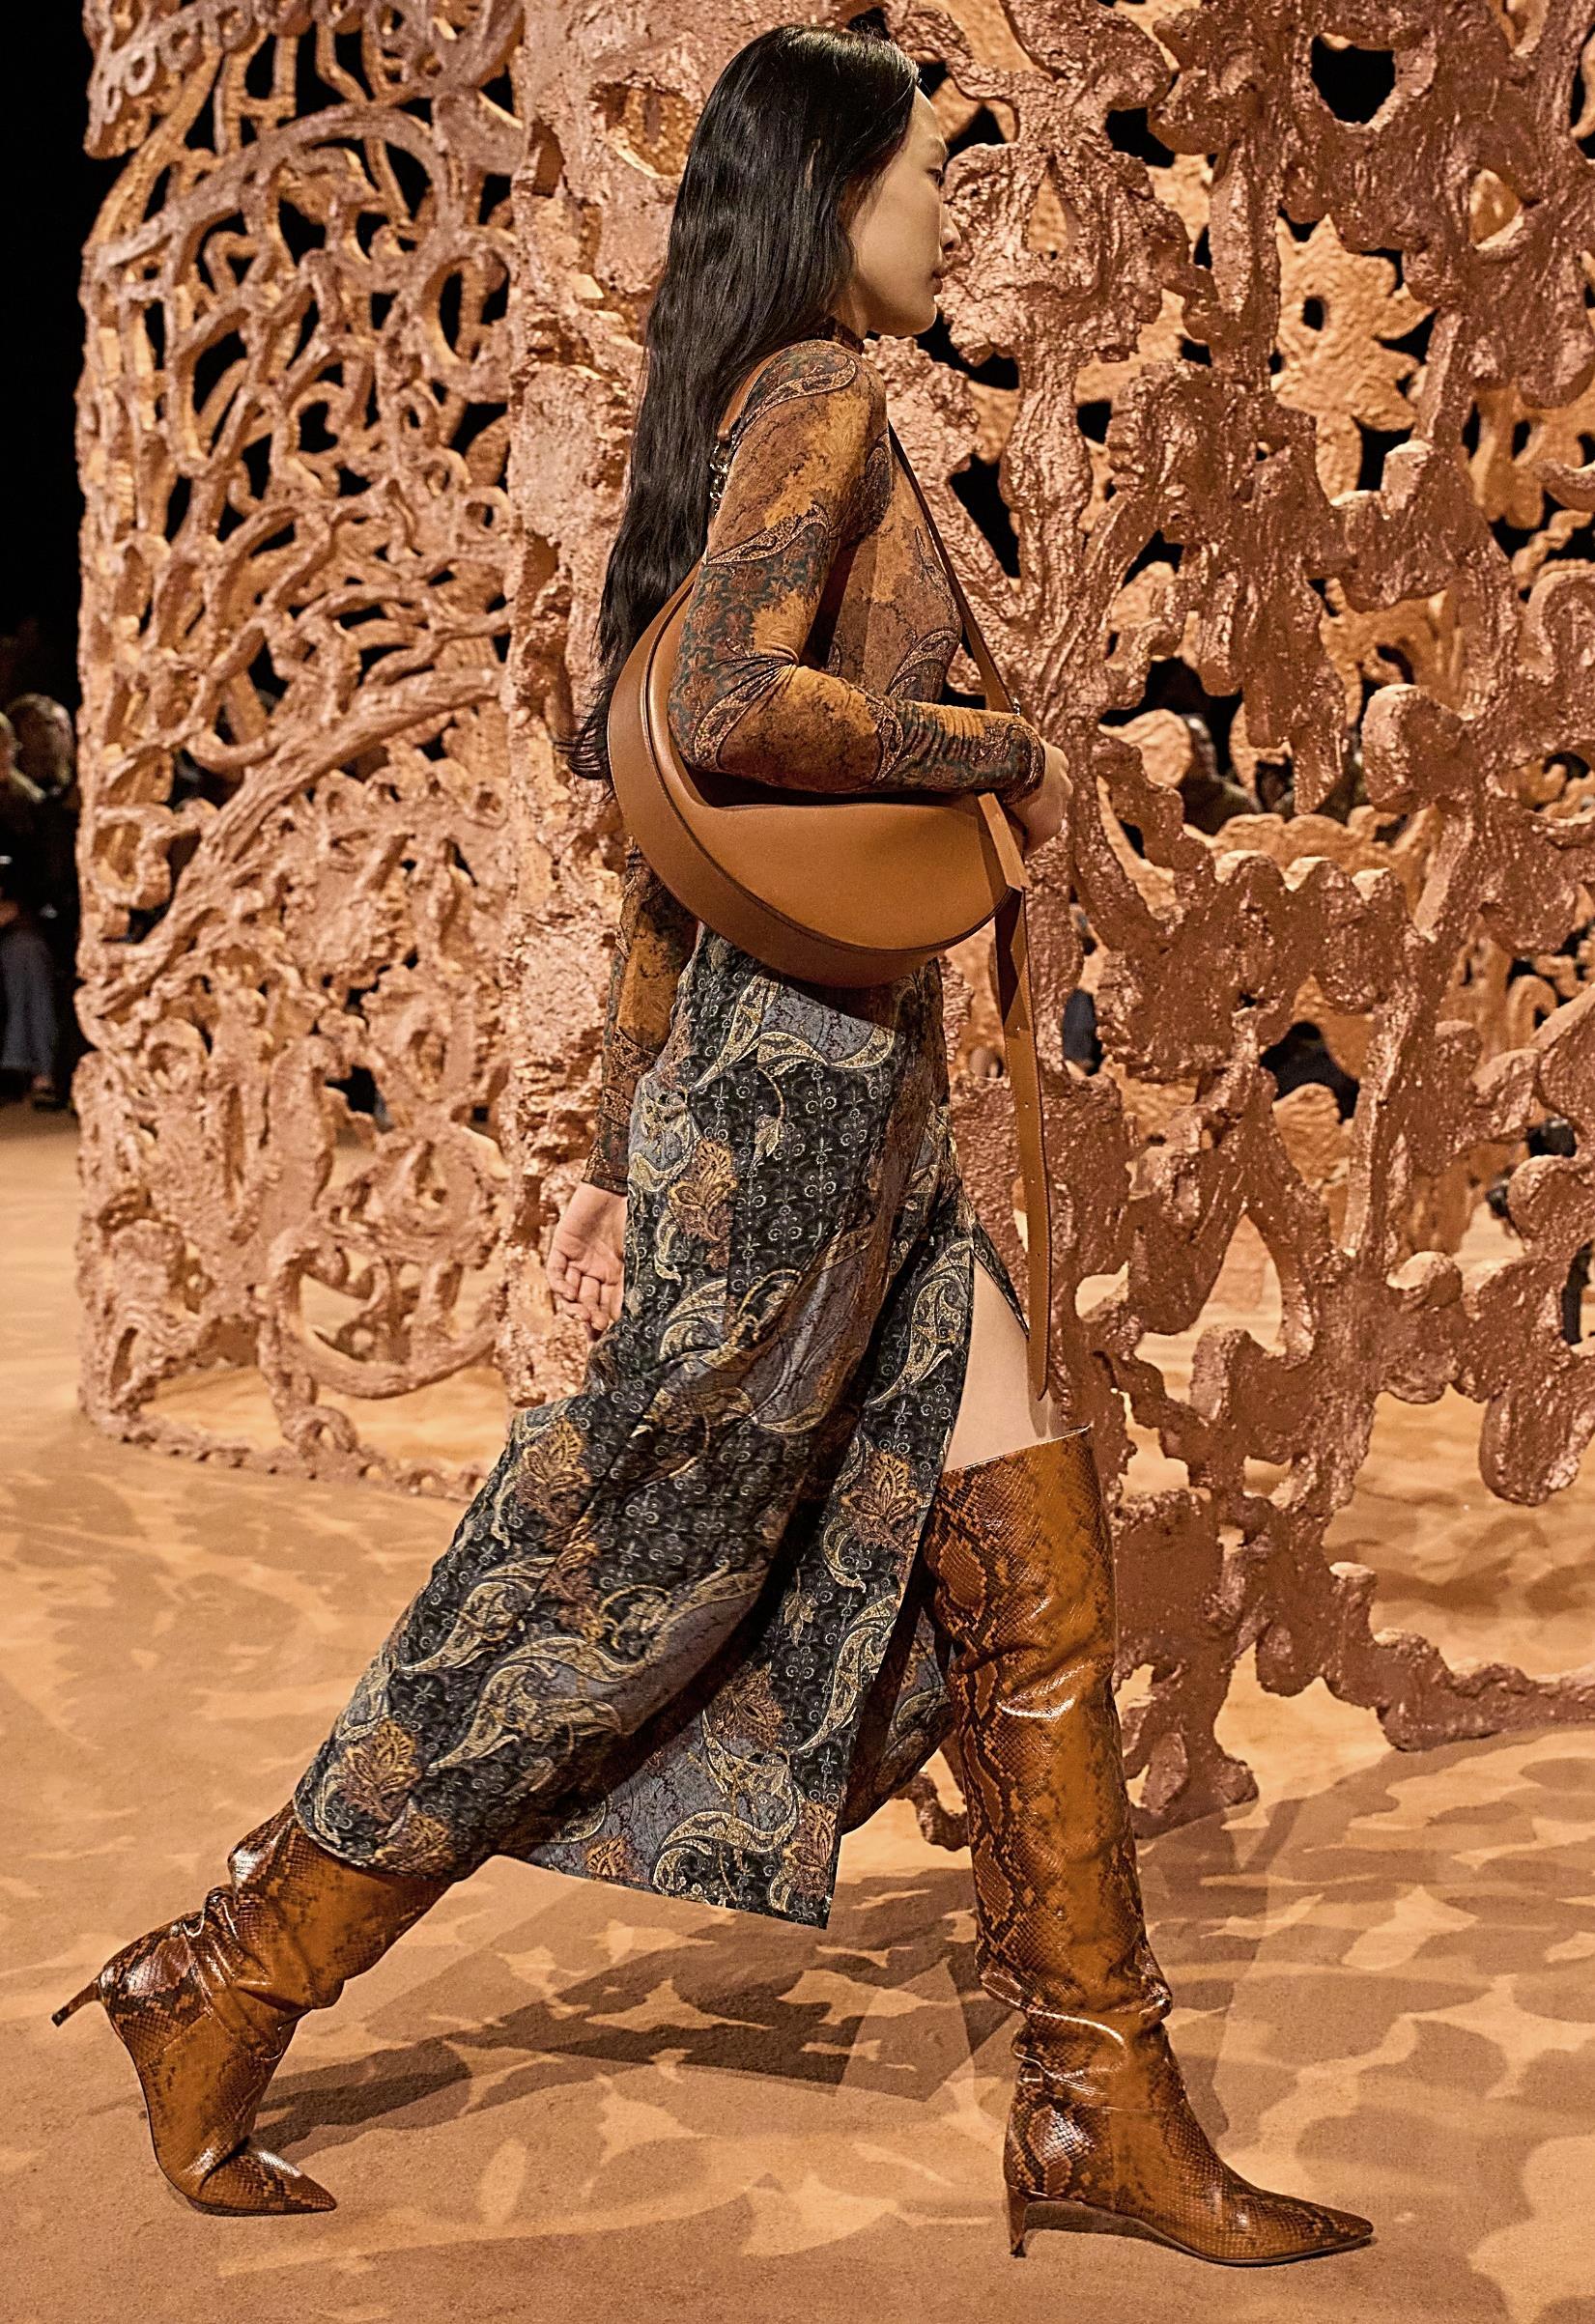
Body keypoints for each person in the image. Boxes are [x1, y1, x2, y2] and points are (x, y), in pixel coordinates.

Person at [51, 23, 1372, 2266]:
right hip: (791, 1123)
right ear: (831, 192)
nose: (951, 210)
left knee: (1029, 1559)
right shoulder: (825, 398)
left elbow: (661, 850)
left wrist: (608, 1140)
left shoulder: (741, 416)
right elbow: (733, 712)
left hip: (815, 1100)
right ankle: (225, 1968)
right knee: (600, 1574)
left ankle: (1097, 2097)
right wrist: (992, 746)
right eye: (926, 173)